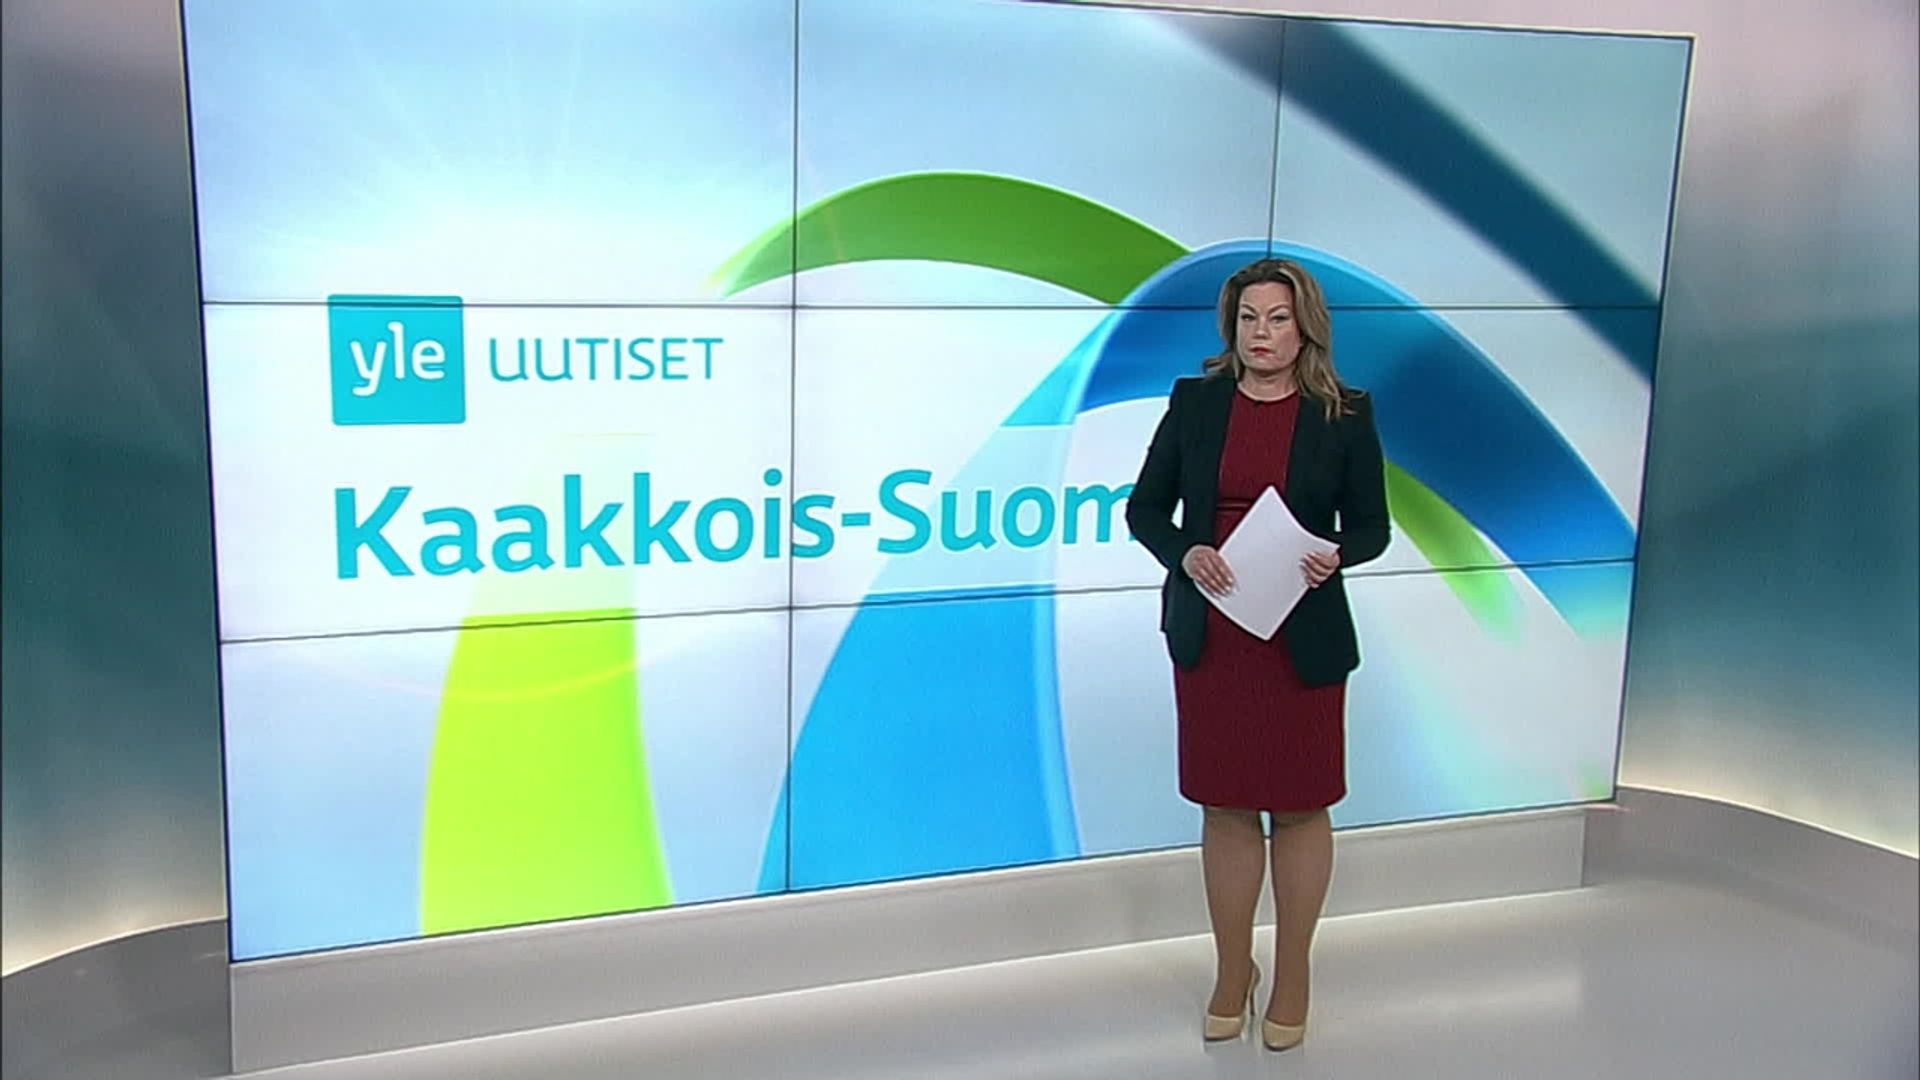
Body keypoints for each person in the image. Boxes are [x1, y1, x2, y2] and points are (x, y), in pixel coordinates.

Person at [1124, 258, 1389, 1051]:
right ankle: (1233, 971)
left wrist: (1336, 554)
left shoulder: (1344, 412)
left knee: (1302, 804)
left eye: (1276, 319)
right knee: (1228, 803)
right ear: (1230, 326)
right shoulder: (1196, 402)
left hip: (1300, 638)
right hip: (1217, 636)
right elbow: (1144, 509)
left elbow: (1371, 527)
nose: (1260, 334)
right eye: (1248, 319)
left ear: (1304, 327)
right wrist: (1186, 551)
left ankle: (1294, 972)